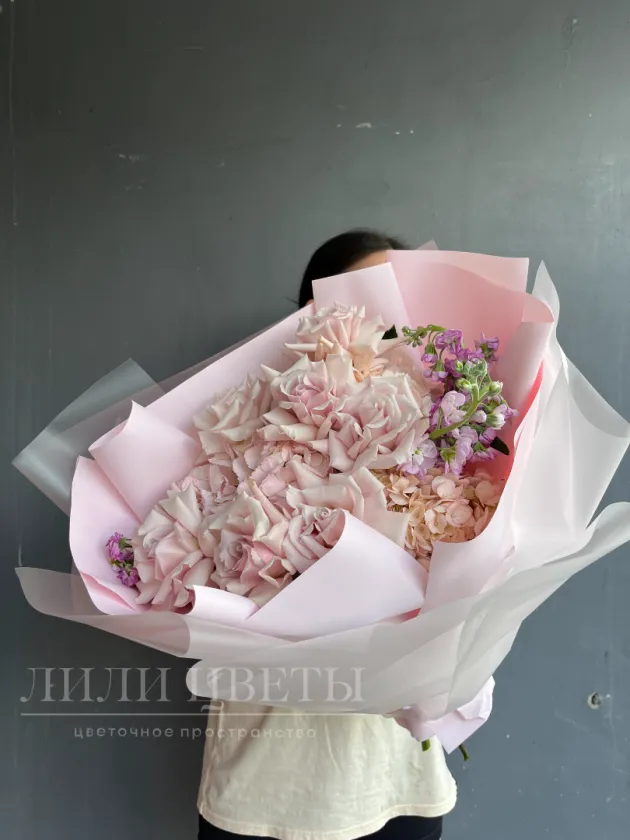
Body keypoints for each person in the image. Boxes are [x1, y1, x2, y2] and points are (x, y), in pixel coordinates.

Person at [197, 230, 455, 840]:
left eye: (399, 300)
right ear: (319, 309)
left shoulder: (445, 429)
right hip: (265, 785)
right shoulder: (240, 421)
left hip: (393, 779)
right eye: (367, 294)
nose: (386, 320)